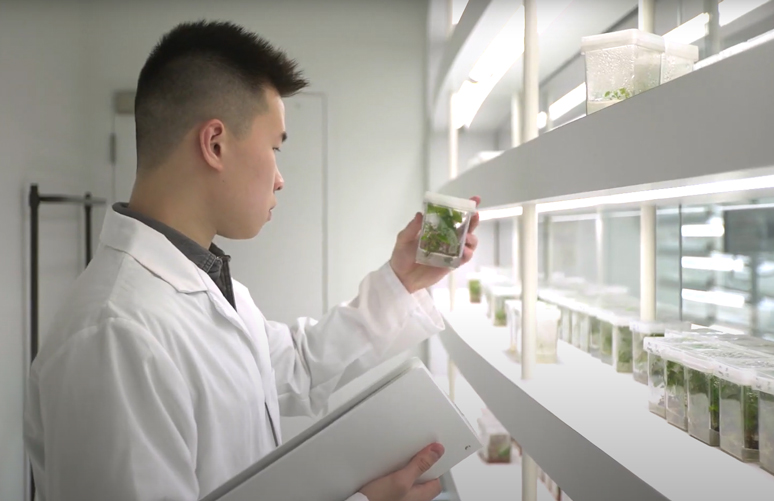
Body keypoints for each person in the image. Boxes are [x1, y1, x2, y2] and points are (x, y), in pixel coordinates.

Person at [24, 20, 480, 501]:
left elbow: (297, 367)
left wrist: (404, 279)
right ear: (215, 144)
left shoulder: (208, 284)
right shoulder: (115, 335)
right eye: (275, 148)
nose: (280, 178)